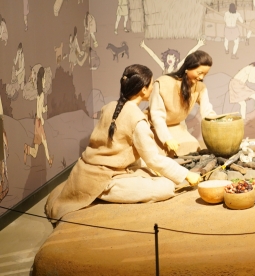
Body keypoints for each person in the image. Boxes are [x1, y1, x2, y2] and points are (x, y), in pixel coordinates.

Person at [45, 64, 200, 224]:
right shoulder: (137, 120)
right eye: (151, 84)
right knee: (166, 186)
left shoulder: (109, 107)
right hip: (105, 179)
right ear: (143, 90)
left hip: (86, 170)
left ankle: (100, 188)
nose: (153, 87)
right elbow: (153, 159)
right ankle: (101, 192)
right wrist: (186, 174)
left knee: (150, 172)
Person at [149, 50, 217, 156]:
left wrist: (219, 122)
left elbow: (207, 111)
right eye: (199, 73)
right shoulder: (163, 83)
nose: (202, 77)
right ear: (187, 68)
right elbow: (157, 115)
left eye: (205, 74)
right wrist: (167, 138)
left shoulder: (200, 87)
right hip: (156, 128)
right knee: (158, 156)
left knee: (193, 147)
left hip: (177, 127)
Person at [24, 67, 54, 167]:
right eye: (44, 78)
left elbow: (39, 109)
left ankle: (28, 149)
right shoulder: (41, 96)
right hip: (39, 123)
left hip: (37, 122)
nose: (45, 80)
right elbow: (40, 111)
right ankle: (49, 159)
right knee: (44, 143)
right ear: (42, 80)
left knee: (36, 150)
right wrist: (41, 118)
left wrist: (45, 109)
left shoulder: (39, 95)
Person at [140, 38, 205, 75]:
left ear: (176, 60)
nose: (170, 59)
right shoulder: (164, 67)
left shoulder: (177, 67)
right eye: (168, 57)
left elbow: (189, 54)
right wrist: (144, 46)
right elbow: (153, 56)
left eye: (172, 57)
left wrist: (198, 45)